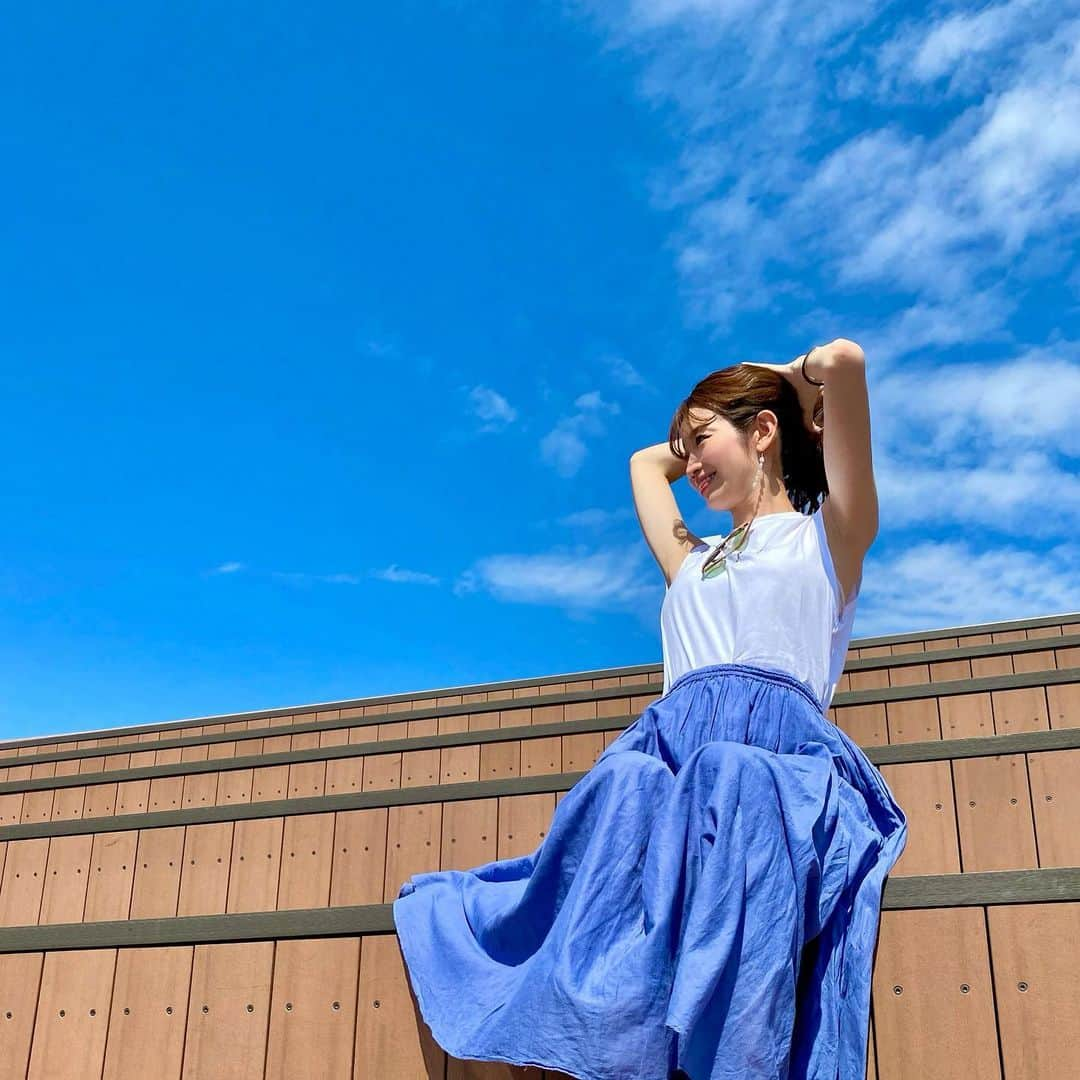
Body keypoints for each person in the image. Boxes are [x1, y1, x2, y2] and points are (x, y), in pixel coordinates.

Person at [393, 338, 909, 1079]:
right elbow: (643, 463)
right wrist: (704, 430)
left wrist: (790, 387)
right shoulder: (690, 559)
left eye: (702, 442)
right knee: (625, 783)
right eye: (687, 449)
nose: (689, 465)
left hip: (776, 767)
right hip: (671, 753)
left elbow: (847, 361)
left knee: (728, 774)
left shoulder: (828, 538)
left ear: (763, 431)